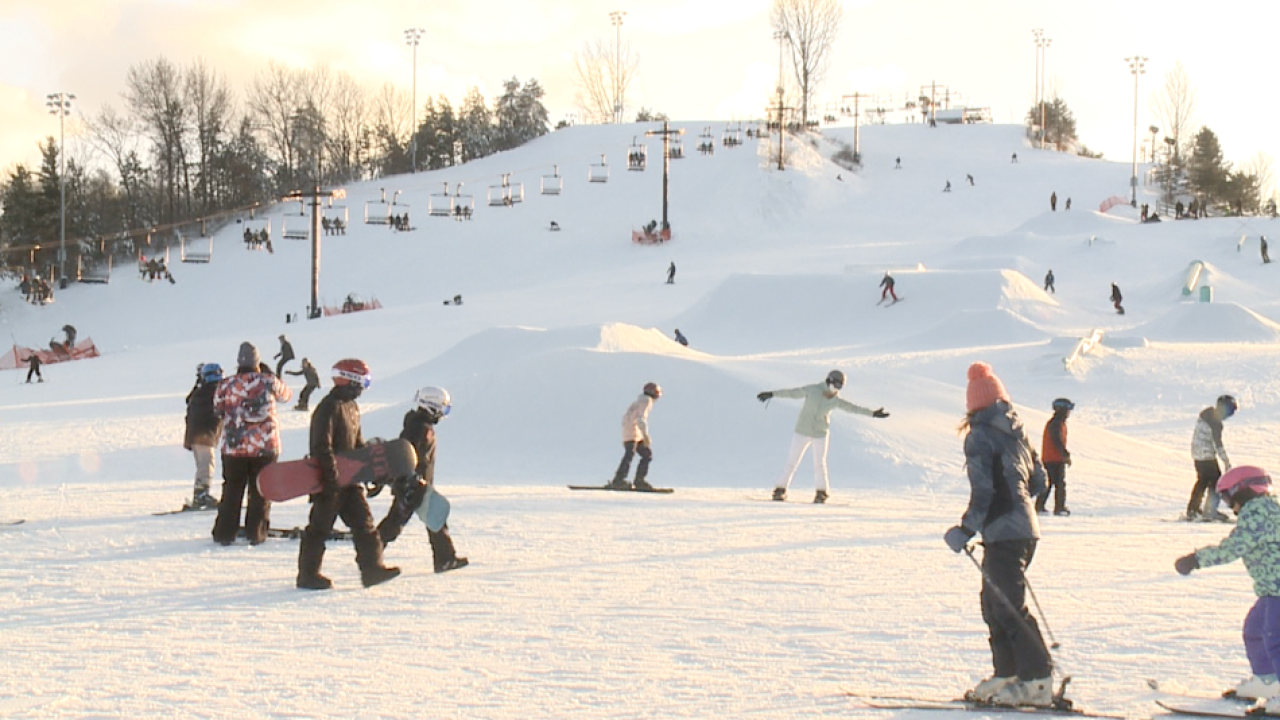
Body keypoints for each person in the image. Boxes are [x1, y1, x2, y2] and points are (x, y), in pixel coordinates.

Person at [944, 362, 1053, 707]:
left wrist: (966, 529)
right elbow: (1040, 481)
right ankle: (1008, 673)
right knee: (995, 604)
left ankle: (1037, 680)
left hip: (1004, 530)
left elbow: (984, 491)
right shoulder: (1017, 432)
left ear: (973, 405)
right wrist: (1017, 503)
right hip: (1023, 530)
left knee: (1006, 605)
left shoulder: (979, 436)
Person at [1175, 466, 1280, 707]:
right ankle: (1267, 680)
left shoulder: (1258, 514)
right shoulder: (1267, 510)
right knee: (1255, 631)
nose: (1229, 506)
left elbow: (1233, 548)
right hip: (1271, 591)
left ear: (1241, 491)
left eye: (1226, 498)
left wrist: (1195, 560)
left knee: (1275, 639)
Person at [296, 358, 400, 590]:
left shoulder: (351, 407)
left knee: (365, 524)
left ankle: (372, 570)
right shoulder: (328, 408)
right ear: (349, 380)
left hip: (350, 481)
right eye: (362, 382)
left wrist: (371, 470)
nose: (363, 388)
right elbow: (321, 447)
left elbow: (357, 446)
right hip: (329, 481)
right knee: (319, 528)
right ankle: (307, 575)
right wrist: (331, 479)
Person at [374, 386, 469, 573]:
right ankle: (369, 556)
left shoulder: (417, 425)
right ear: (432, 406)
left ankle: (445, 559)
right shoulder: (421, 429)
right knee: (394, 524)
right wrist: (410, 481)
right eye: (442, 408)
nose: (442, 414)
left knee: (435, 517)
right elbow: (410, 457)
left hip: (418, 484)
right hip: (412, 485)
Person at [758, 370, 889, 503]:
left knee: (820, 464)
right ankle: (780, 490)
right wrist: (772, 394)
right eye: (837, 384)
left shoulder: (835, 399)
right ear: (829, 380)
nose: (837, 388)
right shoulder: (812, 390)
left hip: (820, 434)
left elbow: (853, 408)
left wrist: (872, 414)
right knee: (792, 462)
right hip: (802, 431)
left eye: (841, 386)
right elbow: (792, 393)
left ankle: (821, 493)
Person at [211, 342, 292, 546]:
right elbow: (286, 396)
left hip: (234, 446)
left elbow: (217, 409)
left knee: (232, 490)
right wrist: (269, 375)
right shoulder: (268, 381)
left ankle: (224, 533)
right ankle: (256, 532)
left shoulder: (226, 384)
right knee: (261, 490)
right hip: (265, 446)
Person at [1187, 395, 1238, 522]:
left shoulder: (1206, 415)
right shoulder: (1215, 423)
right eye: (1229, 412)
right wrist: (1226, 461)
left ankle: (1193, 509)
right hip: (1206, 455)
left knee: (1203, 480)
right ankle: (1210, 510)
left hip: (1197, 453)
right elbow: (1217, 443)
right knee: (1217, 481)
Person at [184, 363, 224, 510]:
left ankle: (200, 494)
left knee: (204, 464)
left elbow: (188, 399)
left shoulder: (201, 391)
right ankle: (201, 495)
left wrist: (198, 382)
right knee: (206, 464)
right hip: (204, 435)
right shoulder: (215, 391)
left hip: (198, 435)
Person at [610, 382, 662, 491]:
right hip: (633, 431)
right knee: (632, 454)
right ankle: (621, 480)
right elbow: (641, 419)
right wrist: (646, 435)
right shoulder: (646, 401)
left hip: (632, 431)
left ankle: (629, 480)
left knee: (644, 454)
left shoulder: (640, 401)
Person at [1036, 398, 1073, 516]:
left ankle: (1041, 506)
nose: (1069, 412)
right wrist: (1065, 454)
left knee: (1052, 483)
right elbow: (1057, 441)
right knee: (1058, 484)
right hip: (1054, 459)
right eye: (1068, 410)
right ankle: (1058, 508)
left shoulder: (1057, 423)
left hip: (1053, 458)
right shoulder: (1056, 424)